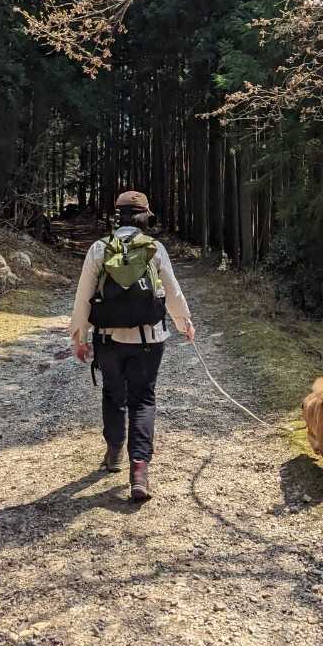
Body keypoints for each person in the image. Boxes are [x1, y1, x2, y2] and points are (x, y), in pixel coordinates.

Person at [70, 189, 195, 501]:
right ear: (144, 218)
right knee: (142, 400)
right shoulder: (154, 248)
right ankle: (139, 471)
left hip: (107, 340)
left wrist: (79, 338)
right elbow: (172, 291)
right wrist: (184, 323)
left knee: (113, 396)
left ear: (117, 217)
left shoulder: (99, 249)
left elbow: (84, 297)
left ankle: (114, 452)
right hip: (148, 339)